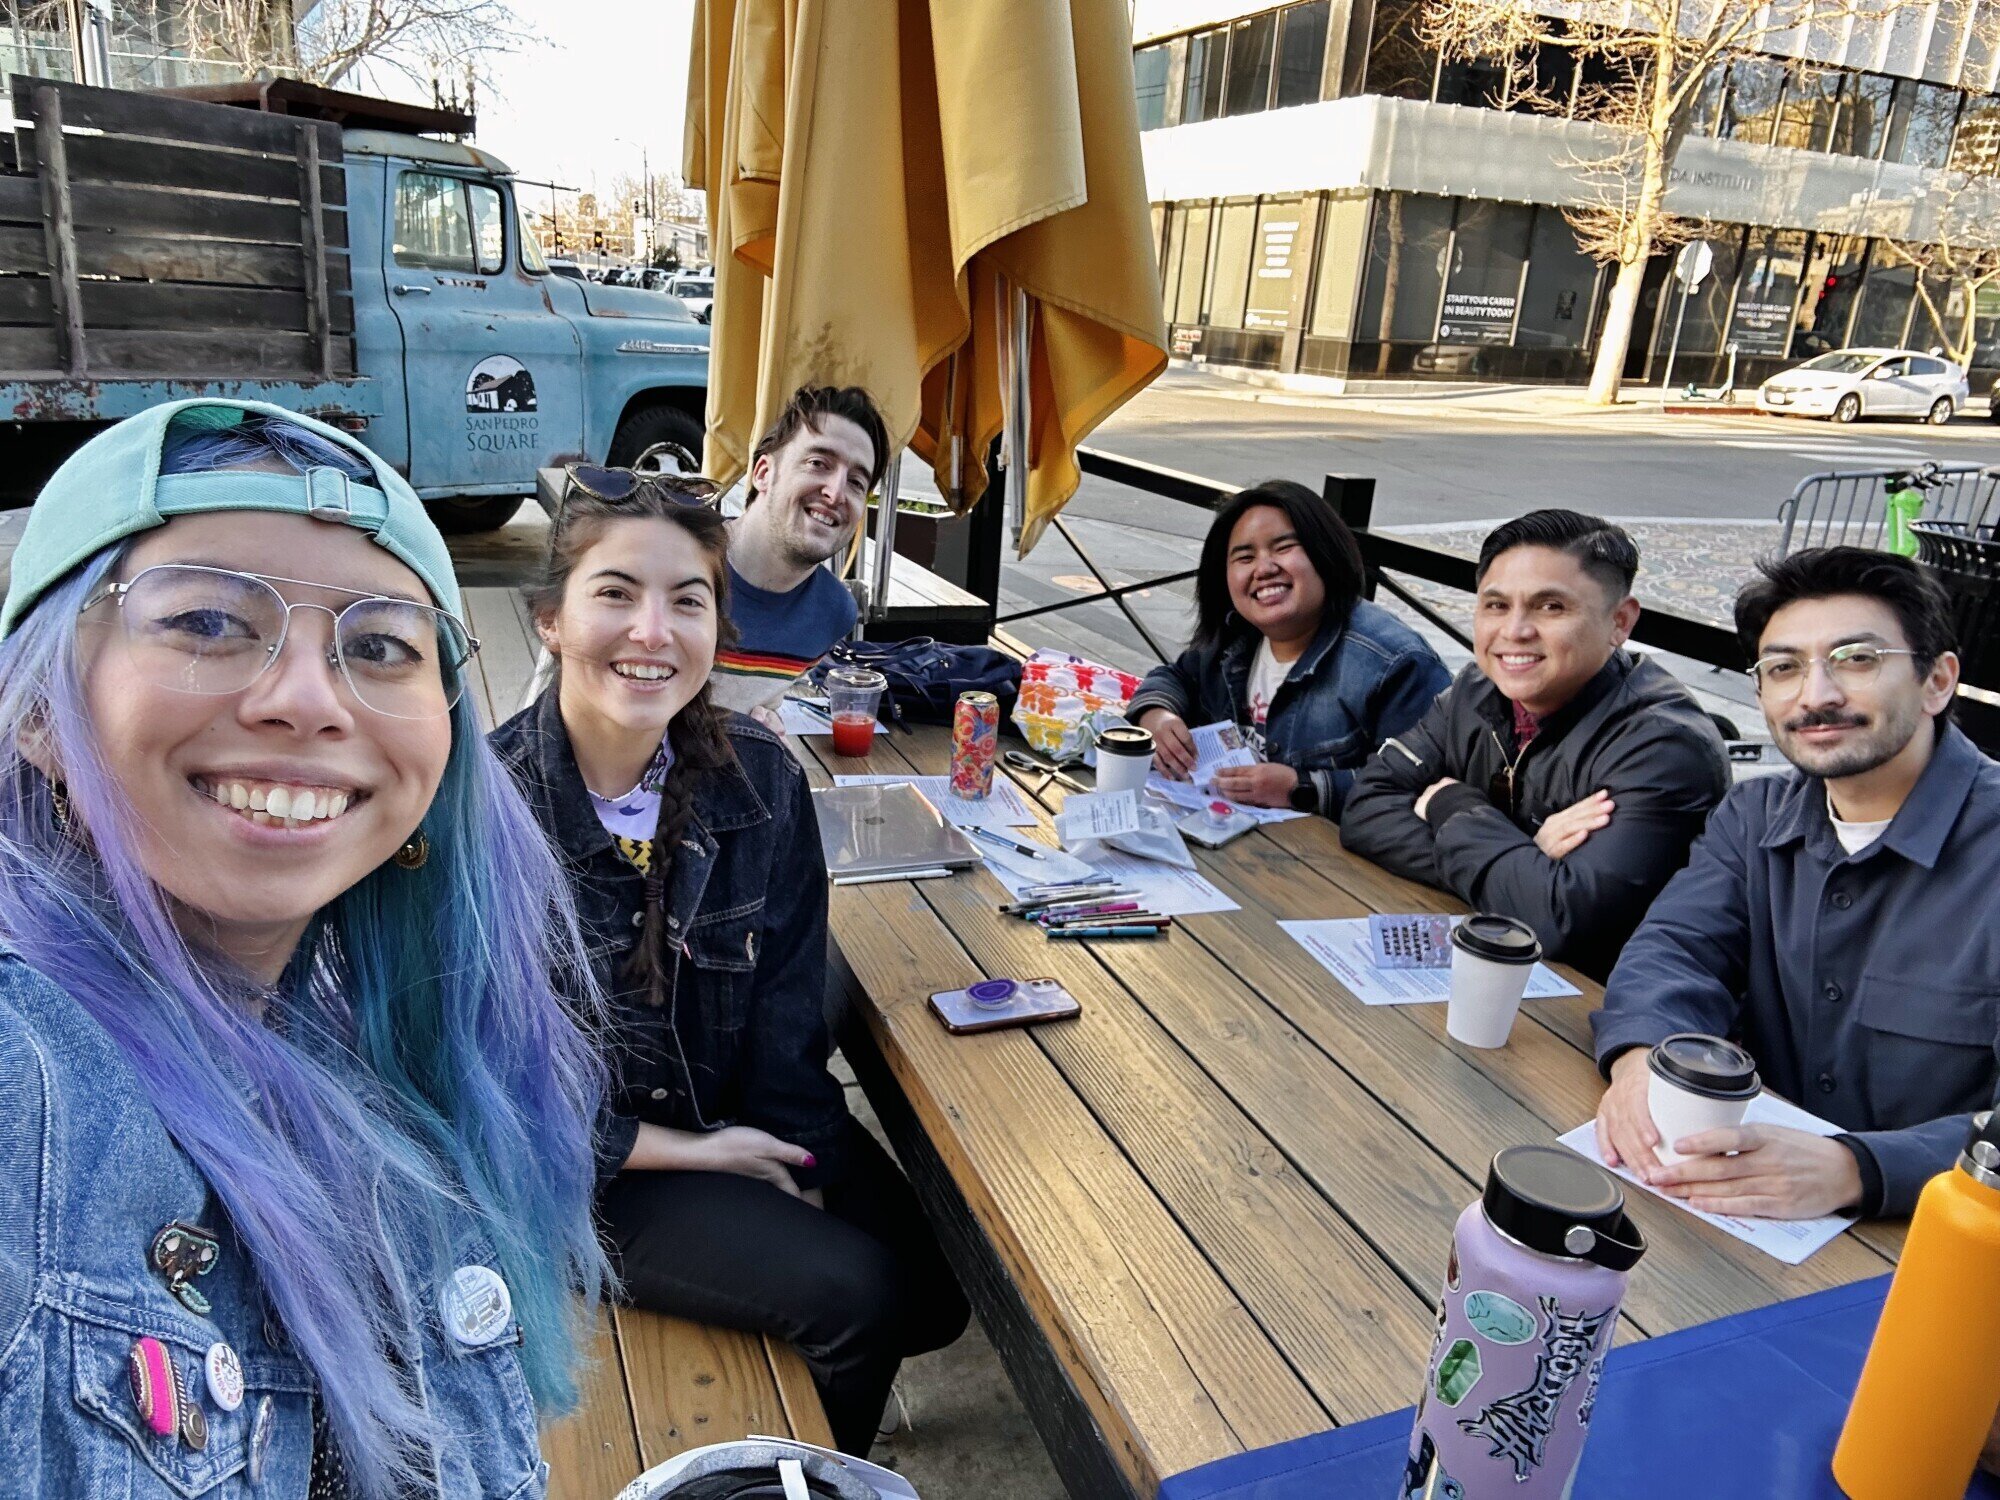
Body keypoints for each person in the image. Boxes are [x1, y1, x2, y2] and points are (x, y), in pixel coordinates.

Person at [0, 401, 608, 1498]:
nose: (305, 699)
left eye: (379, 646)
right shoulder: (26, 1083)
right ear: (43, 707)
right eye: (207, 623)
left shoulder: (390, 1061)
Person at [492, 472, 968, 1454]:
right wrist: (700, 1159)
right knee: (857, 1300)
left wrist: (803, 1165)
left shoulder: (756, 779)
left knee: (937, 1296)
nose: (652, 633)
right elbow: (484, 1089)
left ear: (719, 626)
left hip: (725, 1113)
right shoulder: (483, 811)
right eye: (616, 593)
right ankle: (791, 1473)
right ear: (550, 618)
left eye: (687, 600)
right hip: (575, 1170)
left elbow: (787, 1013)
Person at [1592, 547, 2000, 1220]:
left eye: (1857, 659)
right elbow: (1673, 949)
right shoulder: (1756, 817)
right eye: (1783, 668)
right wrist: (1640, 1058)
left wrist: (1859, 1168)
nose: (1816, 695)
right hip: (1737, 1212)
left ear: (1938, 681)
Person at [1340, 509, 1730, 977]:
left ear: (1620, 622)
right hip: (1493, 966)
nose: (1515, 631)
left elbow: (1560, 919)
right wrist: (1522, 858)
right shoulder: (1476, 689)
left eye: (1551, 607)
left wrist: (1451, 806)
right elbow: (1364, 809)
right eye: (1496, 605)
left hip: (1595, 1012)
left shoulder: (1664, 748)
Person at [1125, 480, 1450, 816]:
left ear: (1325, 553)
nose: (1264, 569)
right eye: (1245, 557)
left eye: (1283, 548)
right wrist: (1157, 715)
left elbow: (1423, 788)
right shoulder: (1237, 635)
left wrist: (1302, 788)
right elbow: (1176, 677)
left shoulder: (1396, 665)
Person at [708, 385, 887, 720]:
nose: (835, 493)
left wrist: (764, 728)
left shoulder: (833, 612)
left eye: (856, 483)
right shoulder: (680, 567)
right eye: (818, 463)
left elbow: (757, 703)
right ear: (763, 474)